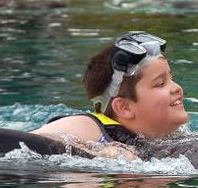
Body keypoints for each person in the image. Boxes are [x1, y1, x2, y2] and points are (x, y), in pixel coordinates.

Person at [31, 32, 189, 160]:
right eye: (160, 84)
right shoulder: (89, 128)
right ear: (124, 107)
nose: (176, 88)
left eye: (171, 78)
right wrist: (97, 153)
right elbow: (25, 143)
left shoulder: (169, 137)